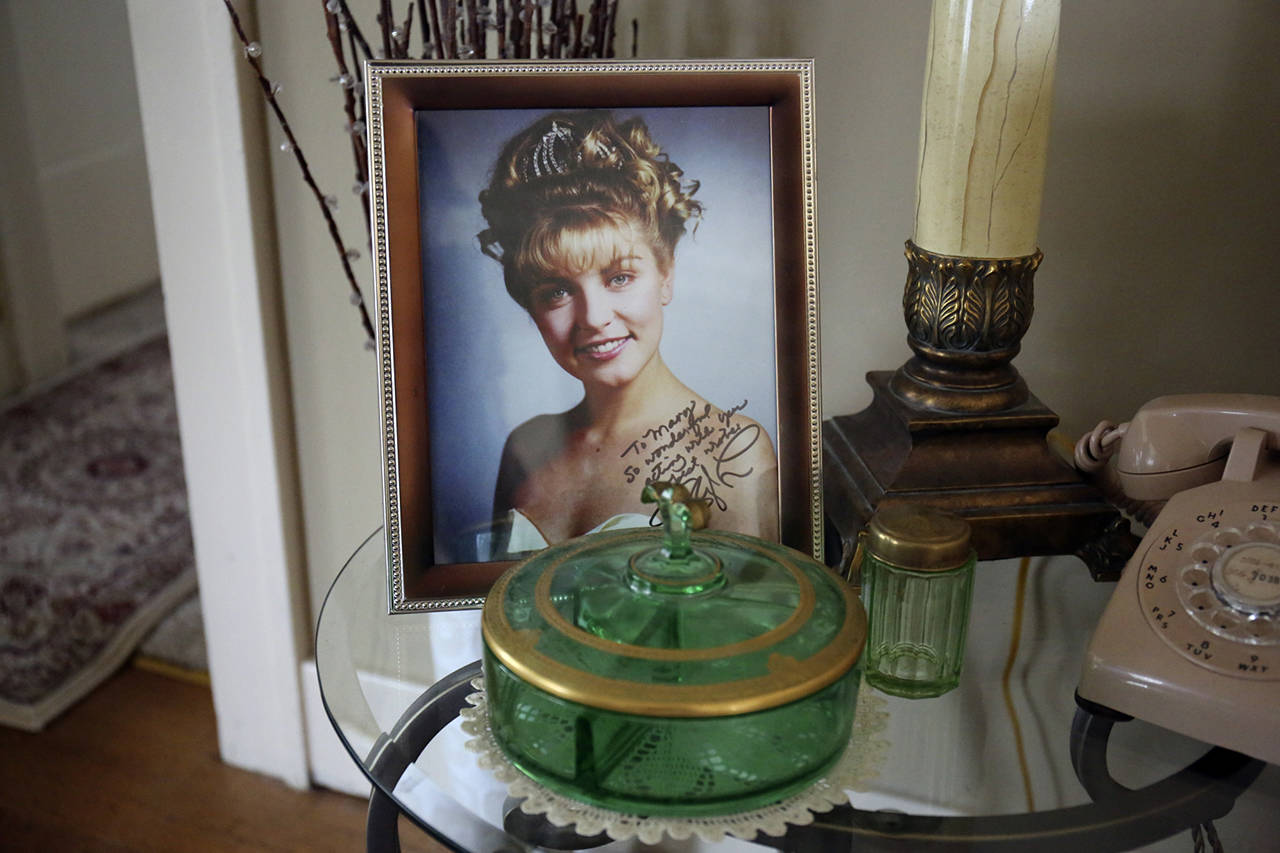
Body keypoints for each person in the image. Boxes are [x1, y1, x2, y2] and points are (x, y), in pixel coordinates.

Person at [477, 110, 778, 554]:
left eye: (619, 277)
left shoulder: (734, 455)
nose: (594, 317)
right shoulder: (525, 447)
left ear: (666, 275)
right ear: (530, 305)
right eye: (558, 290)